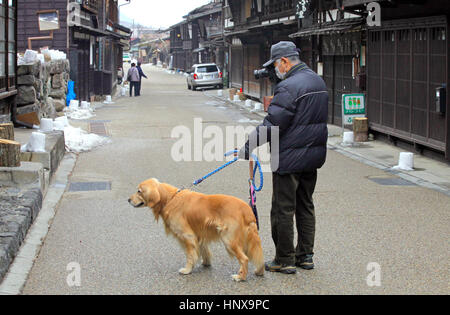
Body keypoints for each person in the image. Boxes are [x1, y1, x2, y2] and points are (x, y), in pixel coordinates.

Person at [239, 41, 328, 274]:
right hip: (312, 157)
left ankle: (284, 259)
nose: (275, 70)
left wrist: (249, 145)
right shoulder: (317, 81)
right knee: (306, 205)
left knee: (283, 209)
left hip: (288, 159)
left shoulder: (289, 87)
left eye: (276, 65)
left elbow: (273, 124)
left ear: (285, 62)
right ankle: (305, 256)